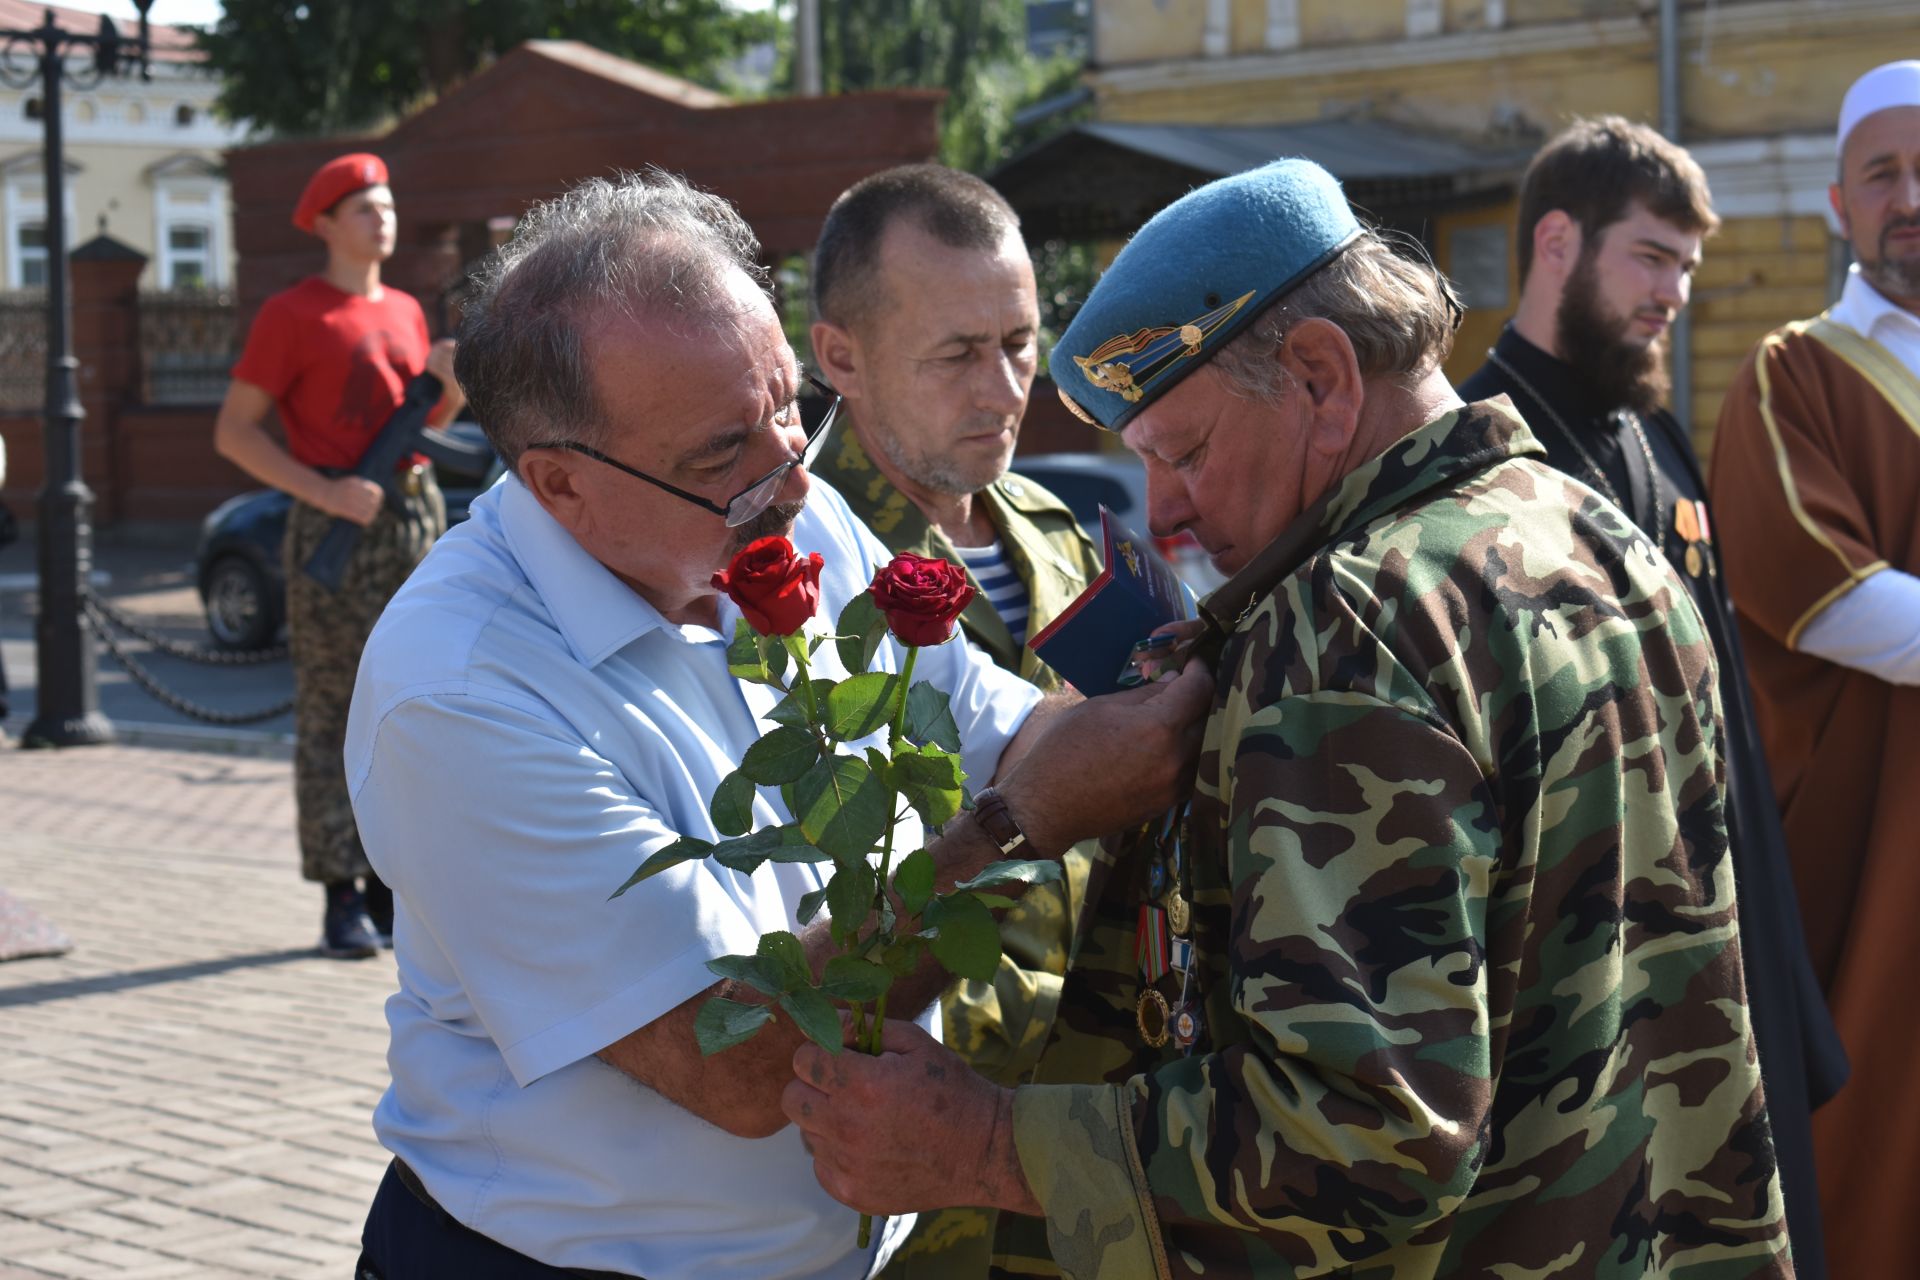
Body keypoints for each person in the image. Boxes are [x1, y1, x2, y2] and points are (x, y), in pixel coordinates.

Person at [782, 158, 1791, 1278]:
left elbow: (1359, 1141)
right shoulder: (1605, 540)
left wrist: (983, 1145)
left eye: (1188, 451)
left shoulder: (1345, 615)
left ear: (1320, 374)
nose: (1160, 506)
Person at [341, 170, 1210, 1280]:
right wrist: (1013, 822)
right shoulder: (461, 690)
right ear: (558, 483)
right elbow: (744, 1061)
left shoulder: (789, 511)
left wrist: (1154, 708)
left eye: (791, 408)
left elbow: (1003, 729)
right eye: (720, 455)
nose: (792, 479)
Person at [1457, 116, 1845, 1278]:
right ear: (1558, 241)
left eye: (1688, 265)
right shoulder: (1486, 448)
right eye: (1652, 257)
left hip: (1722, 926)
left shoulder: (1658, 436)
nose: (1676, 291)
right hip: (1595, 958)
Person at [808, 164, 1105, 1276]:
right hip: (898, 1179)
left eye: (1020, 342)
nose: (1004, 387)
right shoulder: (791, 568)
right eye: (956, 353)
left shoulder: (1057, 535)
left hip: (1076, 1148)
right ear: (840, 356)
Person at [1707, 59, 1920, 1280]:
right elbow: (1827, 598)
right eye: (1882, 172)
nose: (1908, 195)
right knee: (1882, 1144)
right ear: (1839, 199)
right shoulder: (1796, 372)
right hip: (1877, 854)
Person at [213, 153, 463, 960]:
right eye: (361, 208)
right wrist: (320, 496)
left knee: (411, 704)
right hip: (335, 524)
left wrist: (449, 384)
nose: (380, 219)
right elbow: (235, 431)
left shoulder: (405, 310)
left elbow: (429, 426)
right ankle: (340, 896)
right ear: (324, 224)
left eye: (386, 205)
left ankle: (396, 888)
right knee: (333, 709)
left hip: (411, 516)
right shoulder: (294, 315)